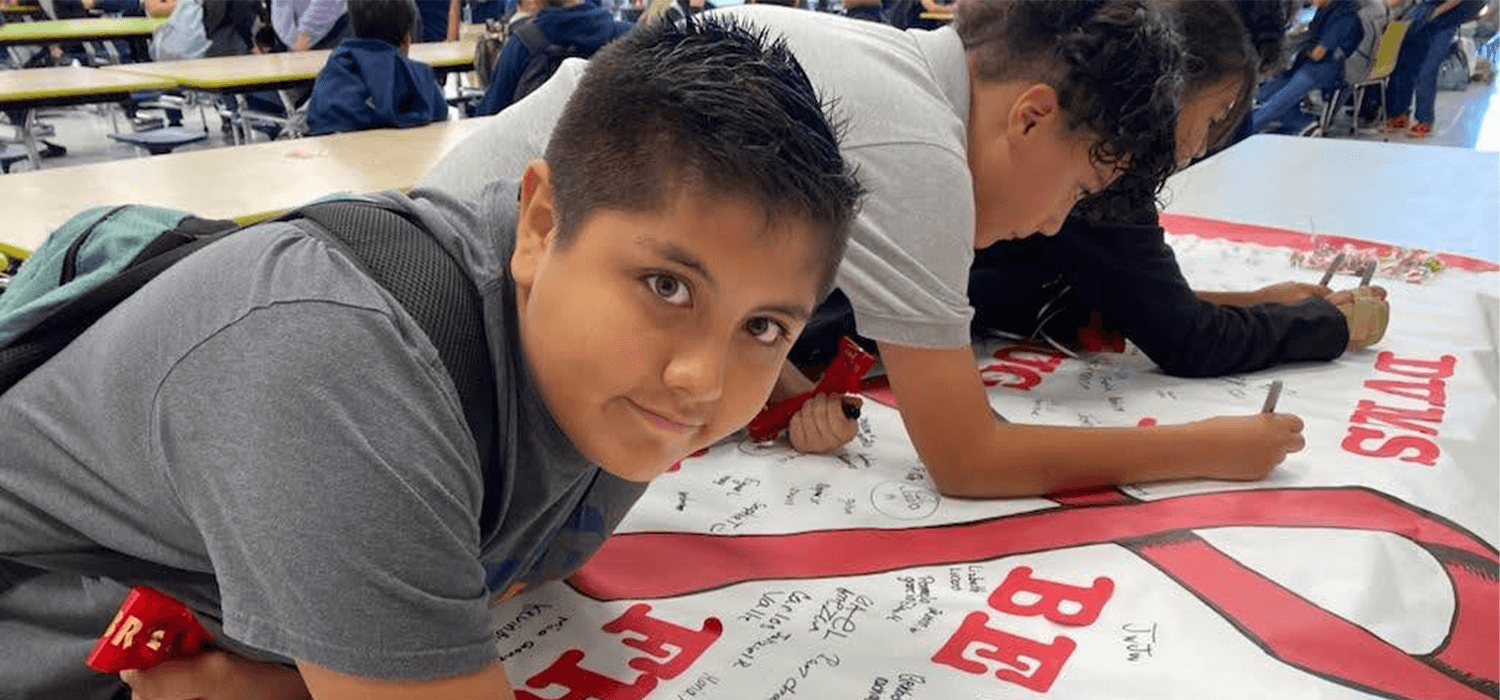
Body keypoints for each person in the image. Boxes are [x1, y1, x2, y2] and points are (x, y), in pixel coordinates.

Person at [0, 14, 863, 700]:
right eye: (667, 286)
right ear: (540, 224)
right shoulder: (341, 372)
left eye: (762, 328)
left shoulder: (605, 379)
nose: (700, 382)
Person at [423, 1, 1306, 497]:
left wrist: (789, 388)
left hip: (479, 295)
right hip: (454, 358)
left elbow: (721, 265)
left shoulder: (889, 66)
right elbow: (967, 459)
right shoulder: (922, 154)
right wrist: (1204, 449)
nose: (1049, 227)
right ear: (1030, 116)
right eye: (1074, 191)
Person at [965, 0, 1390, 390]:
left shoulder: (1081, 142)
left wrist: (1259, 301)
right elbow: (1185, 337)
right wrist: (1325, 325)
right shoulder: (1096, 156)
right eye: (1214, 118)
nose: (1204, 146)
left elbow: (1136, 297)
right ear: (1177, 81)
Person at [304, 0, 450, 135]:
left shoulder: (335, 73)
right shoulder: (423, 79)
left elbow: (316, 122)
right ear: (407, 39)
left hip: (347, 160)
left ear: (354, 30)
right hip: (412, 159)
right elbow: (441, 123)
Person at [472, 0, 632, 116]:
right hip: (617, 157)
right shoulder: (632, 38)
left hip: (538, 158)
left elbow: (488, 115)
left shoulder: (524, 45)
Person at [1246, 0, 1367, 135]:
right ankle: (1303, 123)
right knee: (1264, 93)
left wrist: (1300, 47)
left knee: (1276, 102)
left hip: (1324, 70)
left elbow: (1318, 53)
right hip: (1307, 65)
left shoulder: (1345, 17)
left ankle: (1241, 133)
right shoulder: (1324, 12)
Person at [1382, 0, 1484, 137]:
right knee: (1406, 58)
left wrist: (1436, 12)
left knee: (1428, 66)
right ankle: (1399, 113)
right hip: (1427, 9)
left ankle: (1424, 120)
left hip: (1449, 14)